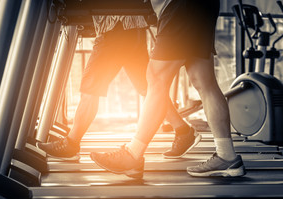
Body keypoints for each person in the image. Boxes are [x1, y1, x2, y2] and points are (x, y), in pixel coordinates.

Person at [90, 0, 246, 179]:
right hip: (201, 6)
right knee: (204, 82)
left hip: (180, 7)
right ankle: (226, 156)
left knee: (156, 79)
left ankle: (133, 154)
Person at [37, 14, 201, 160]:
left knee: (90, 86)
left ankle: (71, 143)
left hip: (116, 28)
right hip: (131, 28)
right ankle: (183, 131)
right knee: (147, 88)